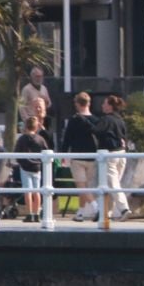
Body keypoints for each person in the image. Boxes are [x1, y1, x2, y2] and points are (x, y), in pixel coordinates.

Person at [80, 93, 131, 221]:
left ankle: (124, 208)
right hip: (122, 154)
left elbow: (96, 130)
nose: (102, 105)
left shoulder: (107, 119)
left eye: (104, 103)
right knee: (112, 184)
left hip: (111, 155)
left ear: (109, 106)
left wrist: (85, 120)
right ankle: (106, 213)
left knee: (112, 184)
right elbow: (124, 137)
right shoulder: (120, 120)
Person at [61, 91, 100, 222]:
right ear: (89, 103)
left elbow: (67, 139)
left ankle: (96, 208)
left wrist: (63, 154)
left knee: (82, 186)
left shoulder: (74, 120)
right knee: (85, 186)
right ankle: (80, 213)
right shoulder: (96, 120)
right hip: (92, 157)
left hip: (77, 157)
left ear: (77, 104)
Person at [13, 102, 52, 222]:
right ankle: (36, 213)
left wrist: (21, 162)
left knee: (28, 191)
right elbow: (46, 151)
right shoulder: (40, 139)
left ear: (26, 126)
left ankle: (29, 213)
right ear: (36, 127)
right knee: (37, 191)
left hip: (25, 167)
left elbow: (16, 152)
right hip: (37, 167)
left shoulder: (22, 138)